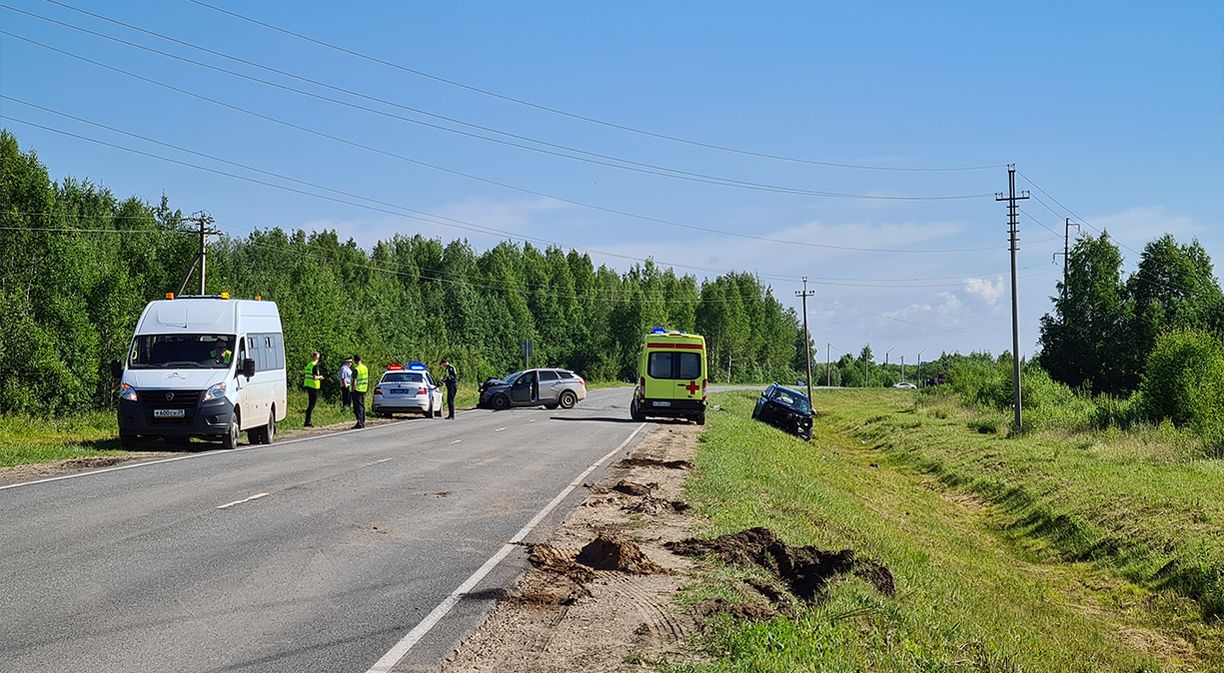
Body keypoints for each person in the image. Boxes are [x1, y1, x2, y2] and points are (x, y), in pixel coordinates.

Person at [302, 351, 324, 427]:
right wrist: (320, 377)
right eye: (318, 357)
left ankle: (307, 421)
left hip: (308, 385)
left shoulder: (309, 364)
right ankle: (307, 421)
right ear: (315, 357)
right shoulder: (315, 365)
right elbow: (314, 377)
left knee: (310, 403)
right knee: (312, 404)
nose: (318, 359)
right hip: (313, 386)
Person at [351, 354, 369, 429]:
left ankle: (360, 422)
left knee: (358, 407)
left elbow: (354, 381)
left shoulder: (356, 369)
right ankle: (363, 421)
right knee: (362, 405)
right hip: (364, 388)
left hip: (357, 389)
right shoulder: (365, 368)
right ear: (361, 359)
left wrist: (352, 390)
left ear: (354, 361)